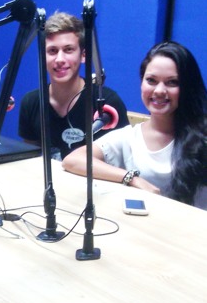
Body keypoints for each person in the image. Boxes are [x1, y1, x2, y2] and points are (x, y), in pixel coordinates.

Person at [62, 41, 207, 210]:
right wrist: (132, 178)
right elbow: (72, 160)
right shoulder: (129, 138)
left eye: (172, 82)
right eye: (151, 80)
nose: (159, 90)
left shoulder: (202, 136)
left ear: (187, 87)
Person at [18, 11, 129, 160]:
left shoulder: (107, 104)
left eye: (68, 50)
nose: (59, 59)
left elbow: (122, 161)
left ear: (83, 55)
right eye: (52, 51)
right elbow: (29, 159)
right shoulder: (31, 102)